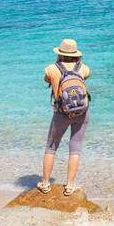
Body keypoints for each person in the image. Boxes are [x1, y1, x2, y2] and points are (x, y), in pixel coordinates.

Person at [39, 39, 91, 196]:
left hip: (61, 113)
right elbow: (84, 78)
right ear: (76, 54)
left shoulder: (50, 69)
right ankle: (70, 185)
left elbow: (47, 80)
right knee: (75, 147)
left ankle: (46, 183)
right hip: (82, 112)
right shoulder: (84, 68)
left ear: (59, 53)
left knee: (51, 147)